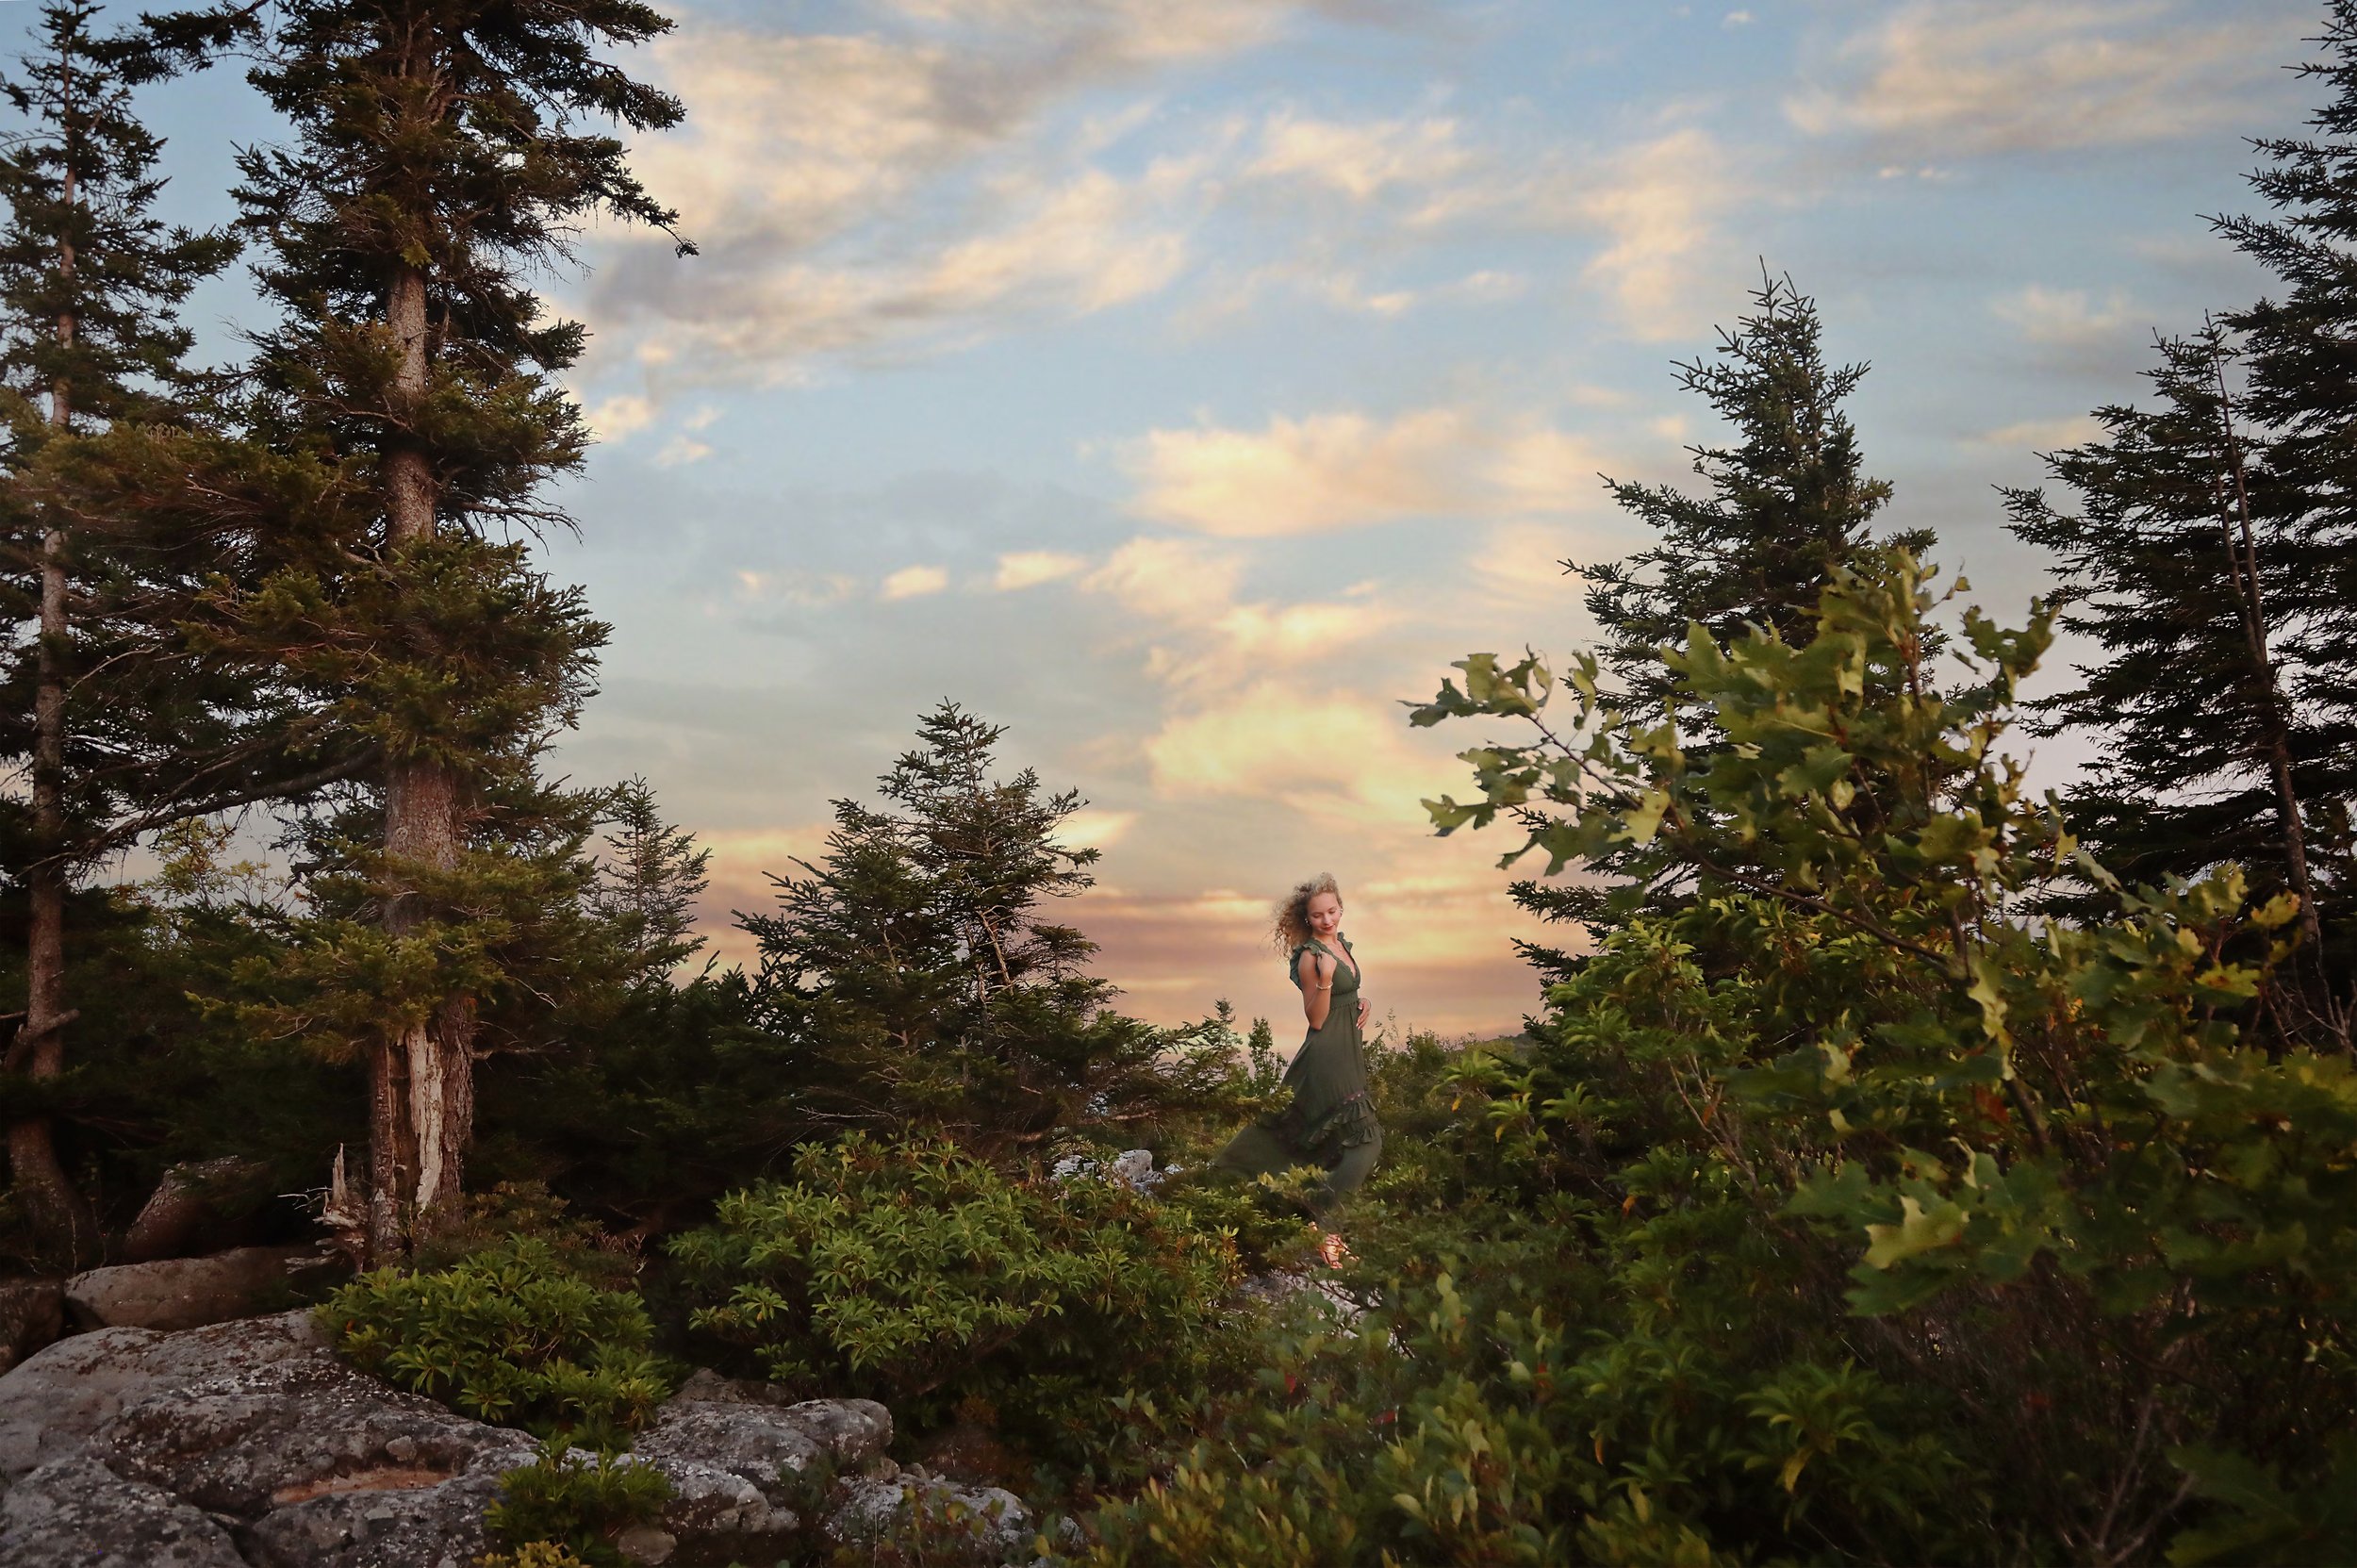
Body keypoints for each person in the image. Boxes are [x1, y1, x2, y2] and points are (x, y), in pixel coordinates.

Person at [1212, 872, 1380, 1263]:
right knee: (1365, 1139)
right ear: (1307, 919)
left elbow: (1347, 991)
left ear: (1341, 908)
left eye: (1333, 911)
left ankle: (1314, 1222)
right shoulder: (1311, 957)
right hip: (1327, 1053)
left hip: (1347, 1046)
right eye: (1318, 916)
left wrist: (1362, 1000)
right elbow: (1316, 1018)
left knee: (1336, 1137)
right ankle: (1325, 1228)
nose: (1327, 920)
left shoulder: (1340, 945)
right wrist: (1323, 982)